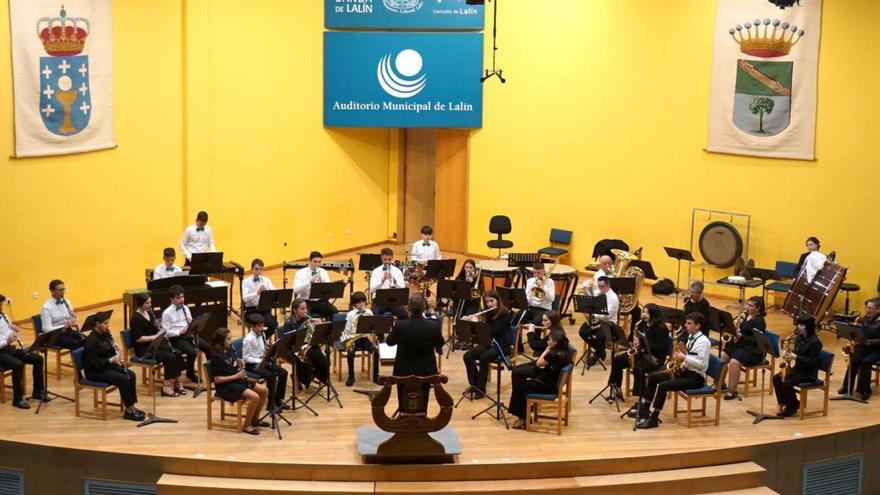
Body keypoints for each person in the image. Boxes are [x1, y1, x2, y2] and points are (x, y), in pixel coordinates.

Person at [636, 312, 711, 429]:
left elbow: (703, 366)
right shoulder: (691, 337)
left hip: (695, 378)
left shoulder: (704, 342)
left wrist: (684, 357)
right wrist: (680, 360)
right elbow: (691, 357)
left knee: (663, 386)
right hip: (685, 372)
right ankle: (645, 409)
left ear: (698, 326)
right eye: (686, 323)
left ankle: (654, 419)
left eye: (689, 323)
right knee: (653, 376)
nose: (686, 325)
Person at [385, 294, 444, 411]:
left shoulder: (400, 325)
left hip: (403, 370)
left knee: (402, 397)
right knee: (424, 397)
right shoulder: (433, 326)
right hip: (426, 370)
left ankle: (403, 416)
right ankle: (422, 417)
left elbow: (389, 342)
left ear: (408, 308)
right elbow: (440, 343)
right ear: (424, 308)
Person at [83, 311, 144, 421]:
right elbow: (95, 364)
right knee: (124, 379)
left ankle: (131, 406)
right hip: (95, 372)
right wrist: (111, 360)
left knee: (131, 374)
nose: (108, 326)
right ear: (97, 324)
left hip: (106, 366)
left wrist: (116, 356)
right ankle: (129, 411)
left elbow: (109, 351)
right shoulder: (91, 341)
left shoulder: (105, 334)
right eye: (105, 323)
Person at [508, 329, 573, 430]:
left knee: (520, 387)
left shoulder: (554, 355)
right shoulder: (564, 352)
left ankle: (523, 418)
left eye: (549, 340)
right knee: (520, 381)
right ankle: (524, 414)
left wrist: (547, 349)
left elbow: (538, 363)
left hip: (549, 386)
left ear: (555, 342)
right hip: (551, 379)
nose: (548, 341)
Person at [607, 303, 671, 405]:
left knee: (639, 368)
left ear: (653, 314)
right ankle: (616, 389)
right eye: (643, 312)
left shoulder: (661, 328)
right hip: (641, 353)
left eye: (647, 313)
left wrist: (643, 344)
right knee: (617, 360)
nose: (644, 315)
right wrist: (635, 341)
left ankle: (642, 399)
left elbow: (660, 347)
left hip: (655, 357)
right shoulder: (642, 324)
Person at [209, 328, 268, 435]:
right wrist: (236, 375)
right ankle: (247, 425)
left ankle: (255, 419)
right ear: (221, 341)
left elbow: (230, 364)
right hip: (225, 386)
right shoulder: (216, 357)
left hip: (236, 380)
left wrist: (238, 362)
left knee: (264, 391)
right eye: (228, 339)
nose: (231, 342)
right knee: (255, 397)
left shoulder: (229, 349)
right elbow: (217, 380)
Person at [129, 293, 186, 396]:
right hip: (144, 350)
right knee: (170, 357)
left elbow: (154, 329)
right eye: (147, 303)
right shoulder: (135, 319)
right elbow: (138, 339)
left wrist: (160, 330)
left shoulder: (149, 313)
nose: (150, 305)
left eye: (150, 302)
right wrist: (155, 337)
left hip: (154, 345)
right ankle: (166, 387)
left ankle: (177, 382)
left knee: (177, 352)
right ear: (140, 304)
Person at [462, 290, 512, 399]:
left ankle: (481, 388)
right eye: (487, 302)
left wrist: (478, 323)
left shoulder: (505, 314)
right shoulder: (489, 312)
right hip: (489, 342)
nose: (489, 304)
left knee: (484, 358)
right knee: (467, 356)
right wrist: (469, 322)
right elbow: (484, 332)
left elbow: (492, 330)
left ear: (498, 301)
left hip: (502, 344)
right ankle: (475, 384)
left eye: (491, 301)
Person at [0, 294, 45, 409]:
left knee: (38, 358)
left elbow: (6, 334)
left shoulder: (3, 316)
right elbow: (4, 340)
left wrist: (13, 330)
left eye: (1, 305)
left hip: (8, 349)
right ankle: (17, 399)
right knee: (18, 365)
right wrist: (7, 341)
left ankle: (38, 392)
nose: (1, 308)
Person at [774, 315, 822, 416]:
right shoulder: (799, 338)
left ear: (808, 326)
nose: (798, 327)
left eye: (802, 325)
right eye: (798, 324)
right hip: (798, 369)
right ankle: (791, 403)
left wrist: (795, 357)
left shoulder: (815, 342)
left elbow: (812, 362)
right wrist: (788, 355)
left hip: (809, 373)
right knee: (777, 378)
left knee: (787, 383)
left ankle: (791, 408)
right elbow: (797, 353)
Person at [721, 296, 767, 400]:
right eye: (747, 304)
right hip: (742, 344)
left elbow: (756, 341)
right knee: (723, 356)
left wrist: (741, 336)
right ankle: (720, 384)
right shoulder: (746, 315)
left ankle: (732, 390)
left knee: (734, 362)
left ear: (758, 308)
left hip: (753, 350)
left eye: (751, 306)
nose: (747, 307)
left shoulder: (760, 322)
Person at [161, 285, 209, 383]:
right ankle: (190, 373)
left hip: (188, 334)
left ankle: (211, 372)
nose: (181, 300)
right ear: (171, 299)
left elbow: (189, 322)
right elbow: (165, 332)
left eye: (182, 297)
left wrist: (191, 323)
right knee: (192, 352)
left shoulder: (185, 308)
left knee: (207, 347)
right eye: (178, 298)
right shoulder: (167, 313)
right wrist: (178, 332)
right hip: (176, 338)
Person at [241, 313, 288, 412]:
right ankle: (271, 405)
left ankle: (278, 400)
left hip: (262, 362)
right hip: (252, 365)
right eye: (259, 326)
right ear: (252, 327)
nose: (262, 328)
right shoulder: (248, 339)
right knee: (271, 376)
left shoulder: (262, 334)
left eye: (262, 325)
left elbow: (262, 350)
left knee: (283, 372)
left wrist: (268, 353)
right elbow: (245, 358)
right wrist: (261, 360)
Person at [282, 298, 330, 389]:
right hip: (295, 348)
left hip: (309, 346)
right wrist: (303, 327)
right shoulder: (289, 322)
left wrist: (319, 326)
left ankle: (318, 376)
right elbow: (290, 340)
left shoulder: (308, 318)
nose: (305, 311)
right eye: (302, 309)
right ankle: (303, 381)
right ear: (295, 310)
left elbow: (315, 335)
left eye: (306, 308)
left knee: (324, 360)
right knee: (308, 364)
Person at [839, 298, 880, 400]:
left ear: (878, 310)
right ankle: (846, 386)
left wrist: (870, 342)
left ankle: (864, 390)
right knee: (855, 358)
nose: (867, 310)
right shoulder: (866, 317)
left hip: (877, 349)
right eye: (867, 307)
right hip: (866, 346)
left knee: (865, 362)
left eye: (870, 308)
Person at [336, 291, 379, 387]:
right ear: (354, 304)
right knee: (350, 354)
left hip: (363, 338)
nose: (362, 304)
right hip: (353, 339)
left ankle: (376, 376)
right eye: (359, 302)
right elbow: (347, 330)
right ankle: (351, 376)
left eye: (363, 302)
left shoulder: (369, 312)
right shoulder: (350, 314)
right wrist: (352, 337)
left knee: (376, 351)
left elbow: (372, 325)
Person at [579, 276, 620, 365]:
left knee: (600, 335)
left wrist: (592, 315)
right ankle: (601, 350)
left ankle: (597, 353)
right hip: (596, 319)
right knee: (582, 331)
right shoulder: (598, 293)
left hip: (608, 322)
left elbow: (606, 314)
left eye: (602, 286)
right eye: (599, 286)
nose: (600, 289)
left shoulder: (613, 298)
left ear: (608, 285)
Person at [40, 279, 84, 350]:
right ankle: (79, 360)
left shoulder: (67, 302)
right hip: (54, 336)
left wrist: (73, 319)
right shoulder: (46, 308)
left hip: (67, 331)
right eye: (60, 290)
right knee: (75, 343)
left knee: (84, 340)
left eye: (63, 289)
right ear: (52, 291)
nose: (63, 292)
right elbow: (46, 329)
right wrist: (64, 326)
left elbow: (71, 320)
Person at [294, 251, 338, 319]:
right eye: (315, 261)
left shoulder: (323, 272)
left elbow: (329, 289)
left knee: (334, 312)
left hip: (320, 301)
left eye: (319, 262)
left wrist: (322, 282)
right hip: (306, 302)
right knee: (304, 316)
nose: (317, 264)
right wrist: (309, 282)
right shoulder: (301, 272)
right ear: (309, 261)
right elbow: (296, 290)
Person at [241, 258, 279, 333]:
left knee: (272, 325)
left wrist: (267, 292)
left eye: (261, 269)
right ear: (252, 270)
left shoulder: (267, 280)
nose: (259, 272)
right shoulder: (246, 282)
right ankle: (257, 340)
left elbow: (275, 293)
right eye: (256, 269)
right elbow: (245, 298)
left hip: (264, 310)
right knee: (258, 324)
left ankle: (261, 341)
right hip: (251, 310)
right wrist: (257, 293)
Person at [369, 247, 407, 320]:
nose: (387, 262)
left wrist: (395, 283)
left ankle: (398, 329)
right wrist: (382, 280)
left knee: (404, 314)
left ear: (392, 258)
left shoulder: (397, 271)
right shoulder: (375, 271)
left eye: (389, 259)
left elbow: (402, 289)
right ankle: (379, 331)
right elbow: (372, 290)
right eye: (385, 259)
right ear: (381, 258)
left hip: (394, 300)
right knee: (374, 314)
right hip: (380, 301)